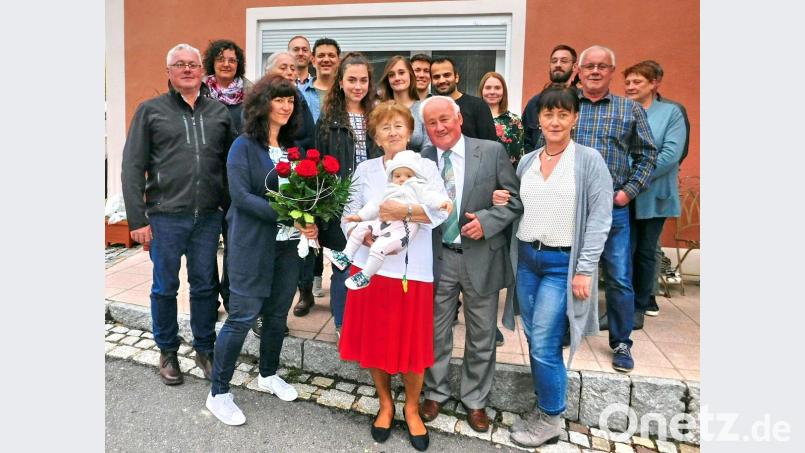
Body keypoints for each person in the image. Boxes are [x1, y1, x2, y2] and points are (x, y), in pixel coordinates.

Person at [496, 85, 613, 448]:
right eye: (549, 114)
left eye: (563, 114)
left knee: (545, 343)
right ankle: (547, 406)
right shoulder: (529, 160)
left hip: (562, 264)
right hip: (528, 260)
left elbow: (599, 219)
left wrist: (585, 269)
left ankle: (551, 417)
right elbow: (519, 203)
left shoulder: (589, 160)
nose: (555, 121)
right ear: (539, 119)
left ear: (575, 118)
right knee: (535, 339)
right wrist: (504, 197)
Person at [205, 75, 319, 426]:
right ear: (262, 104)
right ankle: (218, 392)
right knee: (241, 316)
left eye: (291, 101)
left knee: (275, 316)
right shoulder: (243, 146)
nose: (286, 106)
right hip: (252, 244)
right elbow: (241, 197)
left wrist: (311, 218)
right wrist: (289, 214)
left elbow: (305, 194)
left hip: (288, 247)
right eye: (279, 99)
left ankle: (267, 374)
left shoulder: (293, 149)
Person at [122, 43, 236, 385]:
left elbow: (231, 164)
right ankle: (168, 350)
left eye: (193, 64)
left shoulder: (219, 113)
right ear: (169, 72)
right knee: (164, 287)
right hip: (165, 216)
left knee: (205, 286)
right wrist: (137, 219)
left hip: (207, 217)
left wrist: (229, 212)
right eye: (179, 65)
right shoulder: (150, 111)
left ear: (202, 71)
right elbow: (132, 166)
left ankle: (205, 347)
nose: (187, 69)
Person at [338, 101, 449, 451]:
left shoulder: (425, 167)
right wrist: (364, 234)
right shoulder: (366, 171)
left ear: (410, 131)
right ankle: (385, 404)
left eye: (399, 125)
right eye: (385, 127)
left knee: (413, 346)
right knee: (377, 342)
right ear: (375, 135)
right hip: (371, 269)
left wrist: (408, 211)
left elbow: (442, 212)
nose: (393, 132)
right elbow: (349, 212)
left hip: (412, 270)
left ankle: (412, 408)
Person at [419, 96, 523, 433]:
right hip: (439, 257)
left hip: (481, 257)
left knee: (481, 336)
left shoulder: (490, 151)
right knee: (436, 332)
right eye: (432, 123)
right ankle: (435, 391)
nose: (440, 127)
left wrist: (489, 221)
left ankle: (475, 400)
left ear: (459, 118)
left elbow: (514, 201)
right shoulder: (423, 158)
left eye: (444, 119)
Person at [574, 45, 657, 372]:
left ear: (611, 71)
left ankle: (621, 341)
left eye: (602, 66)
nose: (595, 71)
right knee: (570, 271)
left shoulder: (629, 110)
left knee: (619, 276)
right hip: (571, 207)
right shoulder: (567, 106)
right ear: (579, 72)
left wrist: (627, 193)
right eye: (589, 66)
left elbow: (648, 155)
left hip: (612, 209)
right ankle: (570, 327)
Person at [316, 51, 378, 339]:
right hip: (341, 202)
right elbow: (320, 166)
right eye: (351, 80)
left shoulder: (376, 116)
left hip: (373, 201)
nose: (357, 86)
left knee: (369, 261)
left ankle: (365, 318)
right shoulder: (329, 120)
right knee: (343, 261)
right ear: (340, 83)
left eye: (363, 80)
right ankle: (342, 323)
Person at [327, 150, 451, 289]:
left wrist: (443, 202)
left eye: (408, 175)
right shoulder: (389, 189)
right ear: (392, 176)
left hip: (403, 230)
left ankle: (366, 275)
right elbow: (374, 205)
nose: (403, 179)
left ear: (415, 176)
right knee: (361, 228)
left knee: (379, 247)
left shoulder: (418, 188)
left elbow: (431, 197)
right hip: (383, 224)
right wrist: (359, 217)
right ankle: (346, 256)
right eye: (398, 175)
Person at [623, 62, 686, 328]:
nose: (630, 87)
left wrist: (636, 177)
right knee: (624, 249)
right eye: (628, 82)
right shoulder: (624, 110)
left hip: (652, 192)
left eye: (637, 82)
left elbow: (671, 155)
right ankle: (624, 302)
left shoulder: (671, 113)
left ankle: (643, 299)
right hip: (624, 193)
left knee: (647, 250)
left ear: (654, 83)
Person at [293, 37, 342, 318]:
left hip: (338, 167)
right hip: (310, 168)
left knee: (336, 232)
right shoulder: (301, 94)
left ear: (338, 58)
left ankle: (340, 290)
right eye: (320, 55)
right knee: (309, 229)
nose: (325, 59)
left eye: (331, 55)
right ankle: (306, 292)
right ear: (313, 59)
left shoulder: (345, 90)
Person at [202, 39, 252, 314]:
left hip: (238, 179)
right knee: (206, 243)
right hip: (207, 179)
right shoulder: (199, 92)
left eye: (232, 60)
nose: (226, 64)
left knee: (235, 243)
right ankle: (209, 299)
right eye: (221, 58)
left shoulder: (250, 93)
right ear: (212, 62)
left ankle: (231, 297)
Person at [522, 44, 579, 152]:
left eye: (564, 61)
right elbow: (525, 140)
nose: (558, 64)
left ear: (574, 66)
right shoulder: (535, 102)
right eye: (554, 61)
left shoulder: (580, 101)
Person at [429, 57, 497, 141]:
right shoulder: (429, 109)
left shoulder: (478, 106)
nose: (442, 80)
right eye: (436, 77)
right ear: (431, 81)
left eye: (447, 75)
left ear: (456, 77)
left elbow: (490, 144)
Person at [378, 55, 432, 151]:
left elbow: (429, 148)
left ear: (410, 75)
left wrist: (408, 164)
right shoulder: (380, 110)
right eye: (391, 75)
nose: (397, 78)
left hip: (418, 164)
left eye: (401, 73)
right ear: (388, 80)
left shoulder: (424, 108)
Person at [479, 71, 524, 165]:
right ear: (481, 91)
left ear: (503, 91)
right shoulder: (474, 118)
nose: (492, 92)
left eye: (497, 88)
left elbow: (519, 154)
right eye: (488, 88)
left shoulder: (514, 121)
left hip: (507, 175)